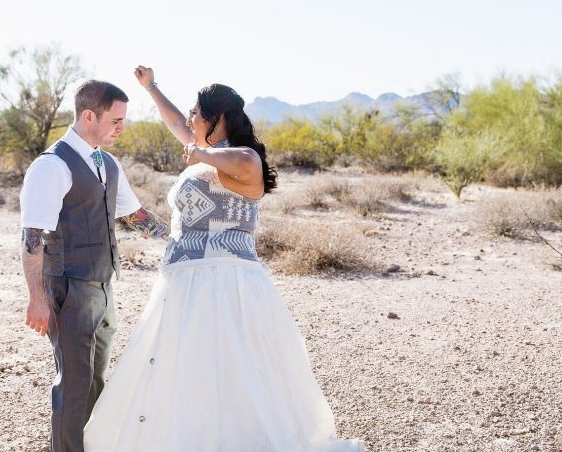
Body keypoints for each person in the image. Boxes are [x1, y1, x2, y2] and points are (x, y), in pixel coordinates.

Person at [83, 67, 364, 451]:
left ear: (218, 119)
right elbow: (174, 122)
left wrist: (201, 151)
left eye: (198, 113)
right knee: (185, 369)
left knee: (232, 366)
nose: (191, 120)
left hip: (226, 279)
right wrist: (151, 88)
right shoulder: (205, 152)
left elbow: (246, 165)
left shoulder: (243, 158)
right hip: (182, 279)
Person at [20, 79, 169, 452]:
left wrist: (179, 237)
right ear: (89, 115)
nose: (122, 128)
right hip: (69, 288)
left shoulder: (107, 162)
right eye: (116, 120)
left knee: (96, 378)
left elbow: (133, 214)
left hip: (104, 286)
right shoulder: (51, 166)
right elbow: (32, 237)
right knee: (73, 382)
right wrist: (36, 298)